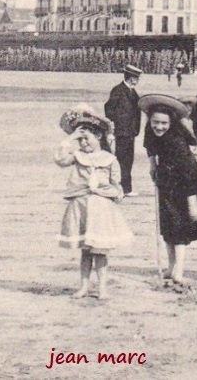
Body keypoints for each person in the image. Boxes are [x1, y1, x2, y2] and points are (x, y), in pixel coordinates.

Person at [56, 105, 133, 299]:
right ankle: (83, 287)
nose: (83, 143)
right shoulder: (77, 156)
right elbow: (60, 160)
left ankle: (102, 288)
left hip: (101, 210)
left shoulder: (109, 159)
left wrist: (116, 194)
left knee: (100, 252)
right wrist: (70, 139)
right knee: (85, 252)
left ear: (98, 136)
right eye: (80, 139)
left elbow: (116, 183)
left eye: (86, 138)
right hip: (81, 207)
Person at [140, 94, 197, 286]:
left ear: (172, 122)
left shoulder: (177, 142)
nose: (159, 127)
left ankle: (179, 269)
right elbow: (150, 146)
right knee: (167, 225)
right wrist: (152, 165)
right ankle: (170, 267)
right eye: (155, 122)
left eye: (164, 123)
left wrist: (193, 203)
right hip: (165, 179)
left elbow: (187, 174)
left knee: (179, 226)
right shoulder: (150, 130)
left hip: (184, 184)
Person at [103, 64, 142, 197]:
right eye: (136, 78)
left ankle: (126, 188)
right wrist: (112, 127)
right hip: (121, 132)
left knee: (128, 160)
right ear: (131, 78)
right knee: (121, 160)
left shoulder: (132, 91)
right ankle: (120, 187)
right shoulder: (118, 90)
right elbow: (108, 108)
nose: (137, 80)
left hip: (130, 132)